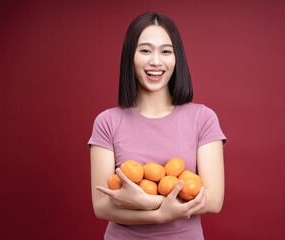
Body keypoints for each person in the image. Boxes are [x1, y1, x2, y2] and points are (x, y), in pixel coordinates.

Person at [88, 12, 227, 240]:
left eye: (165, 51)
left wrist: (146, 202)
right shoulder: (107, 122)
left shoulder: (203, 118)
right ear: (129, 57)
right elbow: (101, 206)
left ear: (176, 58)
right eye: (145, 50)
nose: (155, 61)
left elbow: (212, 201)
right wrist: (160, 214)